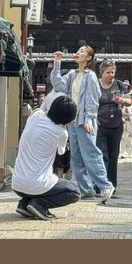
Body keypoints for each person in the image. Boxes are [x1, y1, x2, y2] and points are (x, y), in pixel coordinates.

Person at [50, 46, 115, 203]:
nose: (78, 53)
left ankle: (105, 185)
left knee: (90, 153)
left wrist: (88, 119)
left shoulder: (90, 76)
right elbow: (58, 85)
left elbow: (93, 98)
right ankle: (86, 189)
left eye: (82, 51)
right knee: (76, 157)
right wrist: (57, 62)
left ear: (89, 58)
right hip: (73, 120)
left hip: (85, 120)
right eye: (78, 50)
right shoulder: (72, 74)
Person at [12, 95, 80, 221]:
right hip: (37, 185)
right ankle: (39, 204)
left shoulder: (35, 115)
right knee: (74, 192)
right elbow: (61, 152)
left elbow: (42, 112)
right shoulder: (61, 133)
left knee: (38, 183)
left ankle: (24, 204)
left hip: (17, 184)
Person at [96, 59, 129, 189]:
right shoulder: (95, 84)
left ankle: (111, 185)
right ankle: (100, 183)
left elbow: (130, 100)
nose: (111, 75)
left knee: (113, 155)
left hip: (116, 124)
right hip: (99, 124)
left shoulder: (119, 84)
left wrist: (121, 100)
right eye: (108, 72)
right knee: (101, 154)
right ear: (101, 73)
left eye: (113, 72)